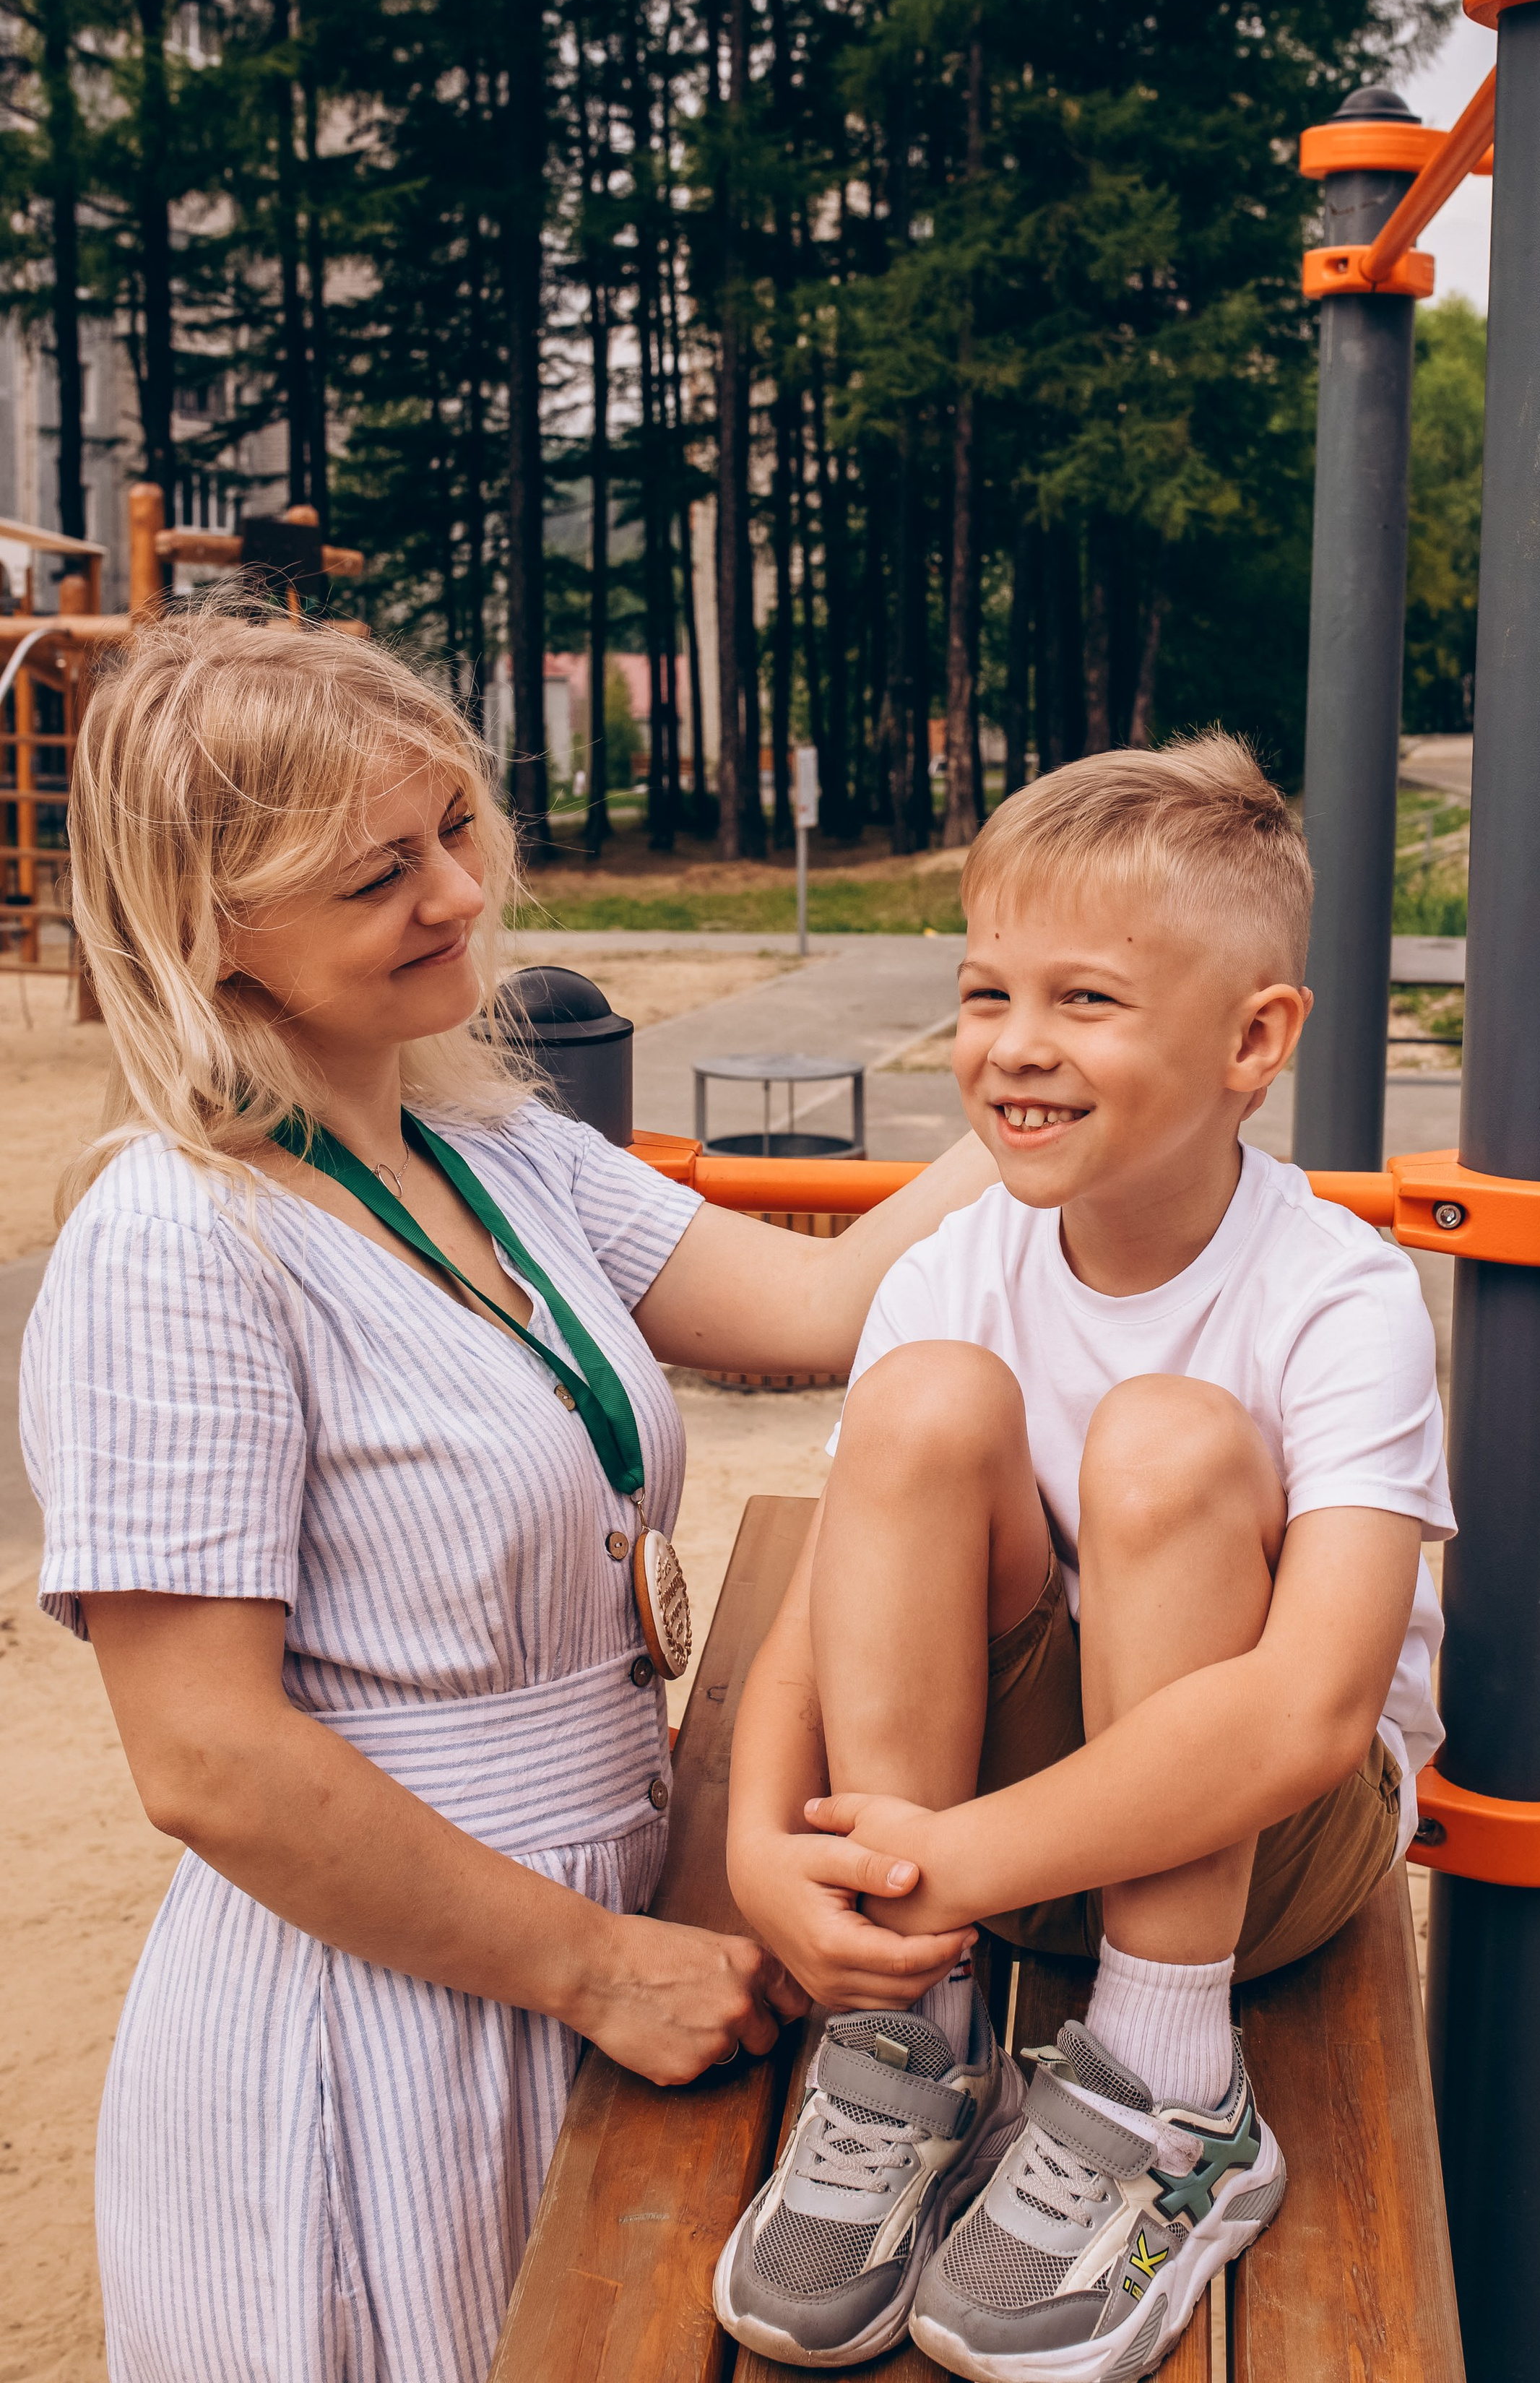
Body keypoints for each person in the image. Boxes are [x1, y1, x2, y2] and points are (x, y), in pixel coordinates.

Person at [21, 605, 993, 2383]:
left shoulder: (485, 1143)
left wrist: (1048, 1076)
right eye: (378, 874)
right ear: (207, 927)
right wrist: (594, 1968)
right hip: (379, 2006)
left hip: (599, 1926)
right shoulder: (175, 1238)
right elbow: (209, 1760)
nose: (461, 896)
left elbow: (815, 1307)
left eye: (456, 828)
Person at [714, 733, 1453, 2383]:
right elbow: (813, 1634)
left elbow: (1309, 1716)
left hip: (1260, 1852)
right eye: (986, 994)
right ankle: (908, 2042)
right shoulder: (953, 1271)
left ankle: (1171, 2085)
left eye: (1087, 1000)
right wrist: (764, 1854)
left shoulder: (1334, 1294)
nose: (1016, 1047)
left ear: (1253, 1040)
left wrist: (952, 1861)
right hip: (969, 1860)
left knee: (1165, 1444)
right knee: (920, 1404)